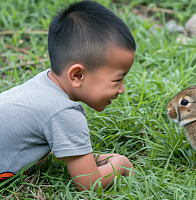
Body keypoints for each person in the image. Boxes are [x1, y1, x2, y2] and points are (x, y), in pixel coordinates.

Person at [0, 0, 135, 191]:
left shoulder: (42, 83)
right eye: (117, 80)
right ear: (77, 75)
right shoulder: (63, 112)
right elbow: (89, 183)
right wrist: (120, 165)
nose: (121, 89)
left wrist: (88, 158)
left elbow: (57, 153)